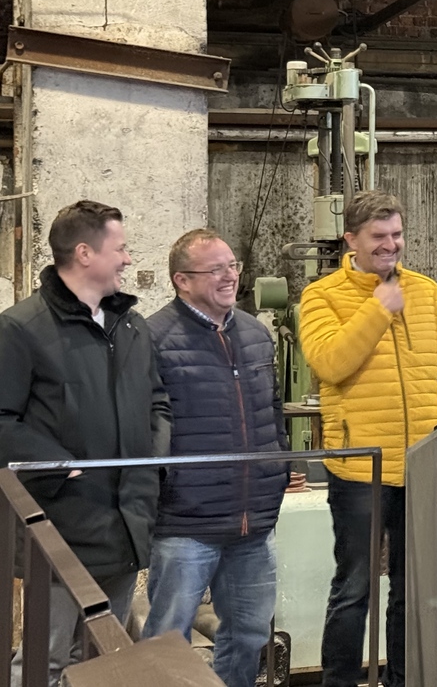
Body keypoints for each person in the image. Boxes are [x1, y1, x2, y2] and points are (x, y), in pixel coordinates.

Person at [0, 200, 171, 687]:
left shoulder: (131, 326)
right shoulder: (21, 329)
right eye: (121, 249)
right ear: (84, 253)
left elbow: (157, 402)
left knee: (104, 659)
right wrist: (60, 465)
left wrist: (152, 460)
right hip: (61, 525)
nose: (129, 259)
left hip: (125, 521)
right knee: (46, 659)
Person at [299, 190, 437, 687]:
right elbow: (331, 363)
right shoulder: (321, 296)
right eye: (378, 236)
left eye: (397, 234)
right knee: (354, 588)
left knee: (412, 590)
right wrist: (378, 308)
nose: (391, 245)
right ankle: (340, 681)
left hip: (422, 465)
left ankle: (403, 680)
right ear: (351, 239)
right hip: (359, 469)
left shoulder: (427, 293)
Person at [141, 229, 289, 687]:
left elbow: (273, 411)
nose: (230, 277)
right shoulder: (153, 338)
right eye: (216, 269)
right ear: (182, 280)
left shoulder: (255, 333)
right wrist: (165, 491)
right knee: (168, 639)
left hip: (253, 522)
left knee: (249, 635)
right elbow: (145, 428)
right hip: (186, 523)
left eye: (233, 266)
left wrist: (278, 467)